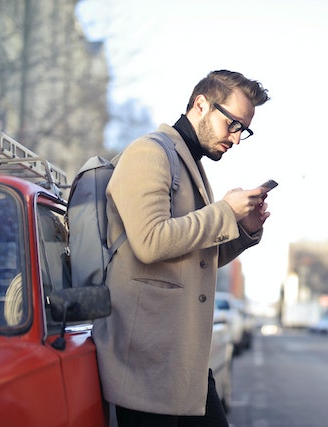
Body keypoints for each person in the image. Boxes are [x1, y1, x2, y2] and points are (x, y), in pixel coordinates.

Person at [92, 70, 271, 427]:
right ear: (201, 104)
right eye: (232, 124)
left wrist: (243, 231)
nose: (236, 139)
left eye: (243, 130)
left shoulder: (190, 166)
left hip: (181, 363)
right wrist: (223, 212)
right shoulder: (150, 152)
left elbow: (194, 257)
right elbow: (150, 241)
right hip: (146, 366)